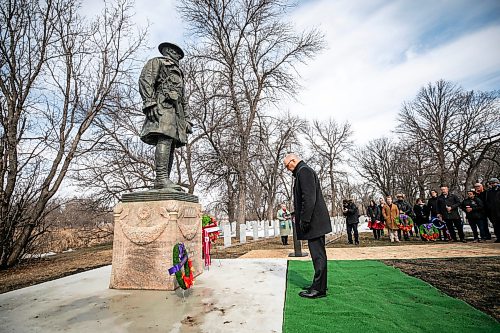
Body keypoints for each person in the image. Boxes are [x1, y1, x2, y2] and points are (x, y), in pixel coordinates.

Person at [138, 42, 192, 191]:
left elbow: (183, 98)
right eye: (175, 52)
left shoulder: (179, 72)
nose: (178, 56)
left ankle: (164, 180)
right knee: (165, 138)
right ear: (167, 51)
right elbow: (145, 80)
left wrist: (187, 119)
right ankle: (161, 179)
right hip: (163, 107)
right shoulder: (157, 62)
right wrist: (150, 102)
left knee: (171, 143)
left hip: (176, 112)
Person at [284, 153, 332, 299]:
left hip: (314, 222)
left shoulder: (304, 171)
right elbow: (305, 200)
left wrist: (304, 220)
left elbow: (309, 198)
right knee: (317, 255)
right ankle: (318, 285)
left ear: (294, 160)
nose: (287, 169)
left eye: (287, 165)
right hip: (314, 220)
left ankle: (319, 289)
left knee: (318, 255)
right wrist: (296, 213)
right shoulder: (301, 172)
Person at [484, 178, 500, 243]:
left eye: (494, 183)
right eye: (491, 183)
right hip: (493, 212)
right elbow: (487, 201)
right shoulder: (489, 192)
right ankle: (499, 237)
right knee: (496, 226)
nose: (493, 184)